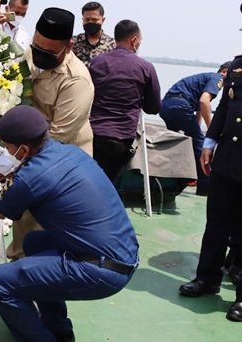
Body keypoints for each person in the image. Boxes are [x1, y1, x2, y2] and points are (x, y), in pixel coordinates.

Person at [0, 105, 139, 341]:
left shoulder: (31, 177)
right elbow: (40, 178)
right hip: (123, 256)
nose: (5, 150)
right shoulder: (70, 152)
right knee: (35, 242)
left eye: (8, 146)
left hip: (100, 272)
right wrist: (15, 175)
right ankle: (59, 330)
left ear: (23, 148)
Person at [8, 7, 95, 259]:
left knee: (46, 231)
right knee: (23, 221)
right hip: (27, 154)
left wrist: (13, 162)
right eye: (36, 48)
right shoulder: (32, 54)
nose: (39, 55)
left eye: (48, 52)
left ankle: (39, 278)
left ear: (68, 46)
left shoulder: (76, 81)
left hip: (63, 162)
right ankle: (18, 269)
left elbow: (58, 138)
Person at [179, 54, 242, 322]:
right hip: (227, 158)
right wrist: (209, 142)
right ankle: (206, 279)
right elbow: (227, 109)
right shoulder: (238, 64)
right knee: (216, 221)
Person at [89, 20, 161, 181]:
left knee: (89, 178)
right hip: (121, 139)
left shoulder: (97, 62)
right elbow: (153, 108)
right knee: (108, 181)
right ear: (134, 40)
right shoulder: (146, 67)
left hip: (94, 134)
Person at [159, 62, 230, 195]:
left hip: (166, 106)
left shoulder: (203, 80)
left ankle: (171, 179)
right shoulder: (218, 78)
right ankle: (204, 185)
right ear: (225, 72)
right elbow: (204, 102)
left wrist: (196, 131)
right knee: (201, 142)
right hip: (180, 106)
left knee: (175, 143)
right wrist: (212, 130)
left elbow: (199, 110)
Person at [71, 1, 116, 68]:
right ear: (82, 19)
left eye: (94, 20)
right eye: (87, 19)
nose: (90, 22)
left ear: (103, 20)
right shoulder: (72, 42)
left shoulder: (112, 45)